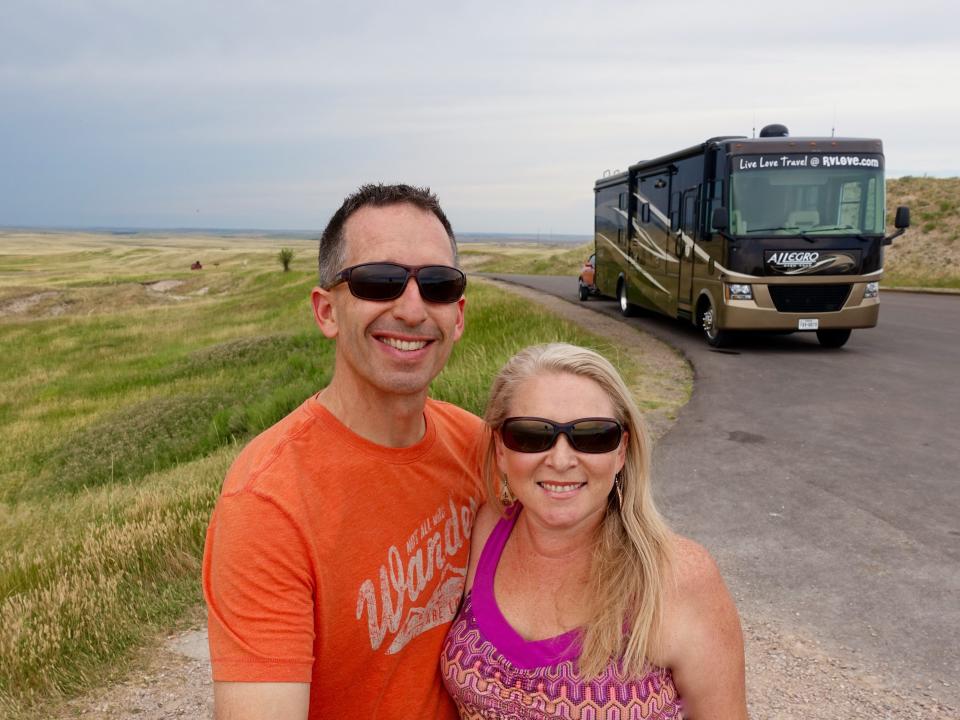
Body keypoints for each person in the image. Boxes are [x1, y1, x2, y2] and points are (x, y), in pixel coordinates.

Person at [203, 184, 486, 719]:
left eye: (438, 285)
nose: (411, 308)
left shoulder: (477, 447)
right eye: (379, 281)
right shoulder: (269, 502)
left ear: (459, 315)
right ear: (326, 311)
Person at [441, 343, 748, 719]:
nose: (561, 459)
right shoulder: (485, 530)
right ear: (501, 450)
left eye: (592, 436)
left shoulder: (676, 577)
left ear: (621, 451)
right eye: (532, 435)